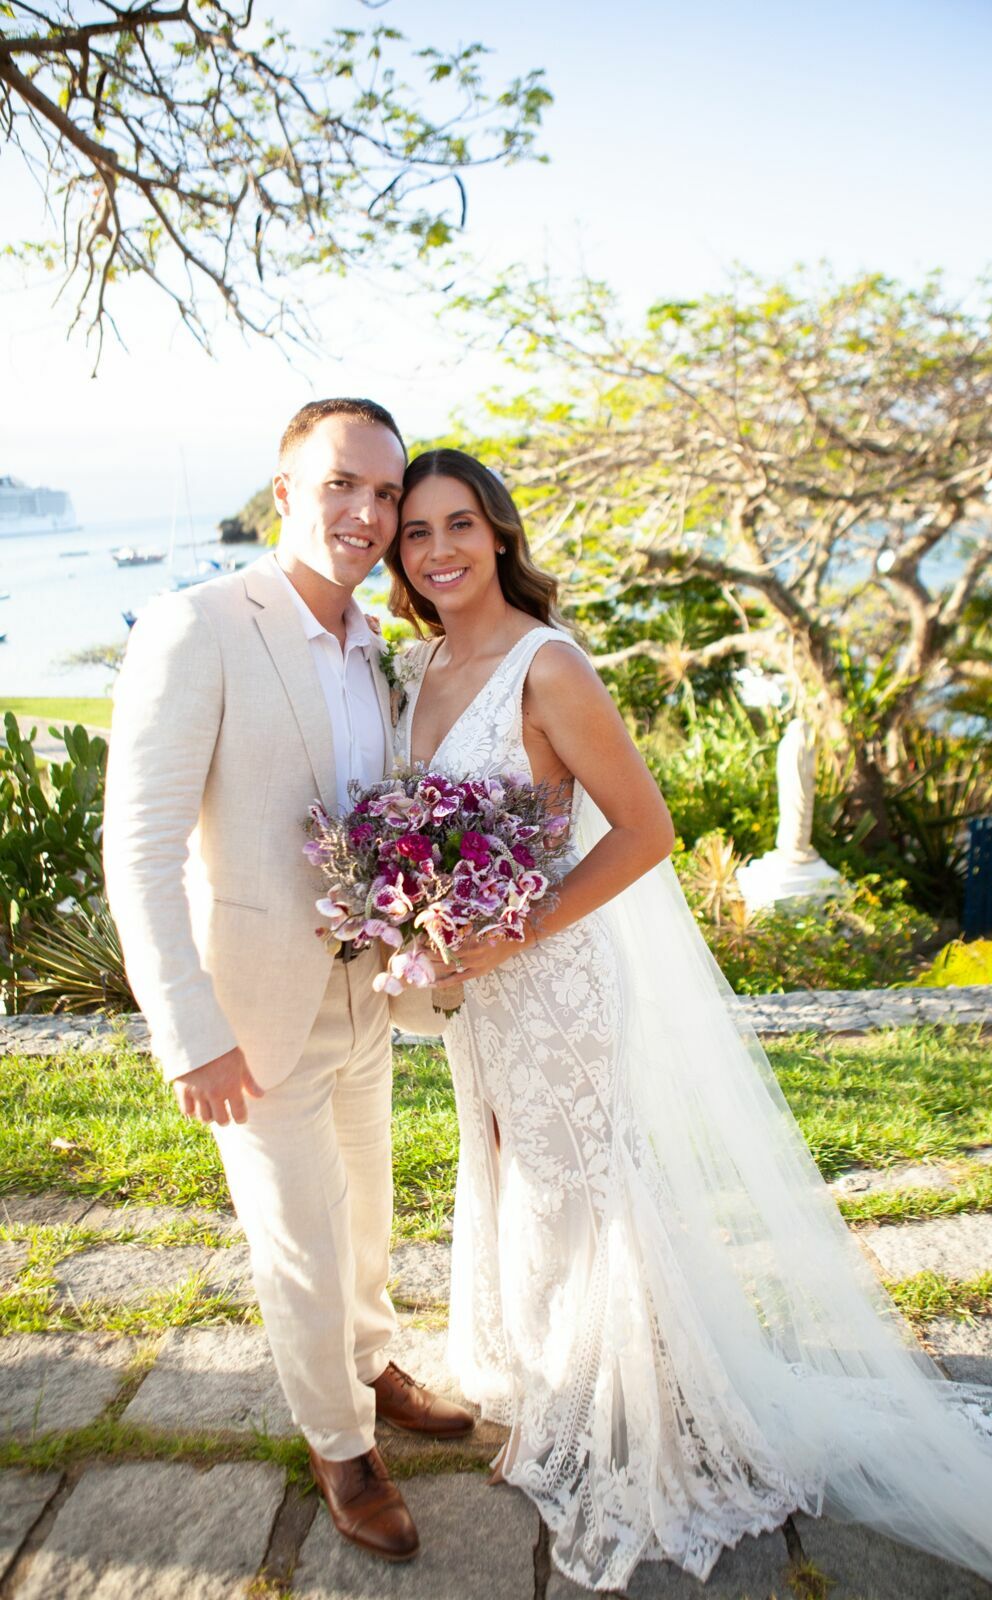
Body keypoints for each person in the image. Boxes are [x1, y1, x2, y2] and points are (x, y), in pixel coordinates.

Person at [383, 447, 992, 1598]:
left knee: (585, 1181)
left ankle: (624, 1413)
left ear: (499, 534)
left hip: (557, 973)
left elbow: (642, 830)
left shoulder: (545, 666)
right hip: (480, 982)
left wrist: (519, 926)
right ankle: (552, 1380)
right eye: (415, 533)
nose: (438, 548)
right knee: (505, 1163)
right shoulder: (423, 665)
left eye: (459, 523)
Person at [103, 399, 474, 1568]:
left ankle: (367, 1358)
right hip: (254, 1013)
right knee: (301, 1235)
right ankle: (340, 1444)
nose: (366, 513)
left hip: (368, 994)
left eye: (383, 493)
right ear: (284, 493)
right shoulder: (199, 625)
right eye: (340, 486)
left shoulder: (375, 648)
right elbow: (140, 847)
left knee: (365, 1213)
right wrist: (188, 1029)